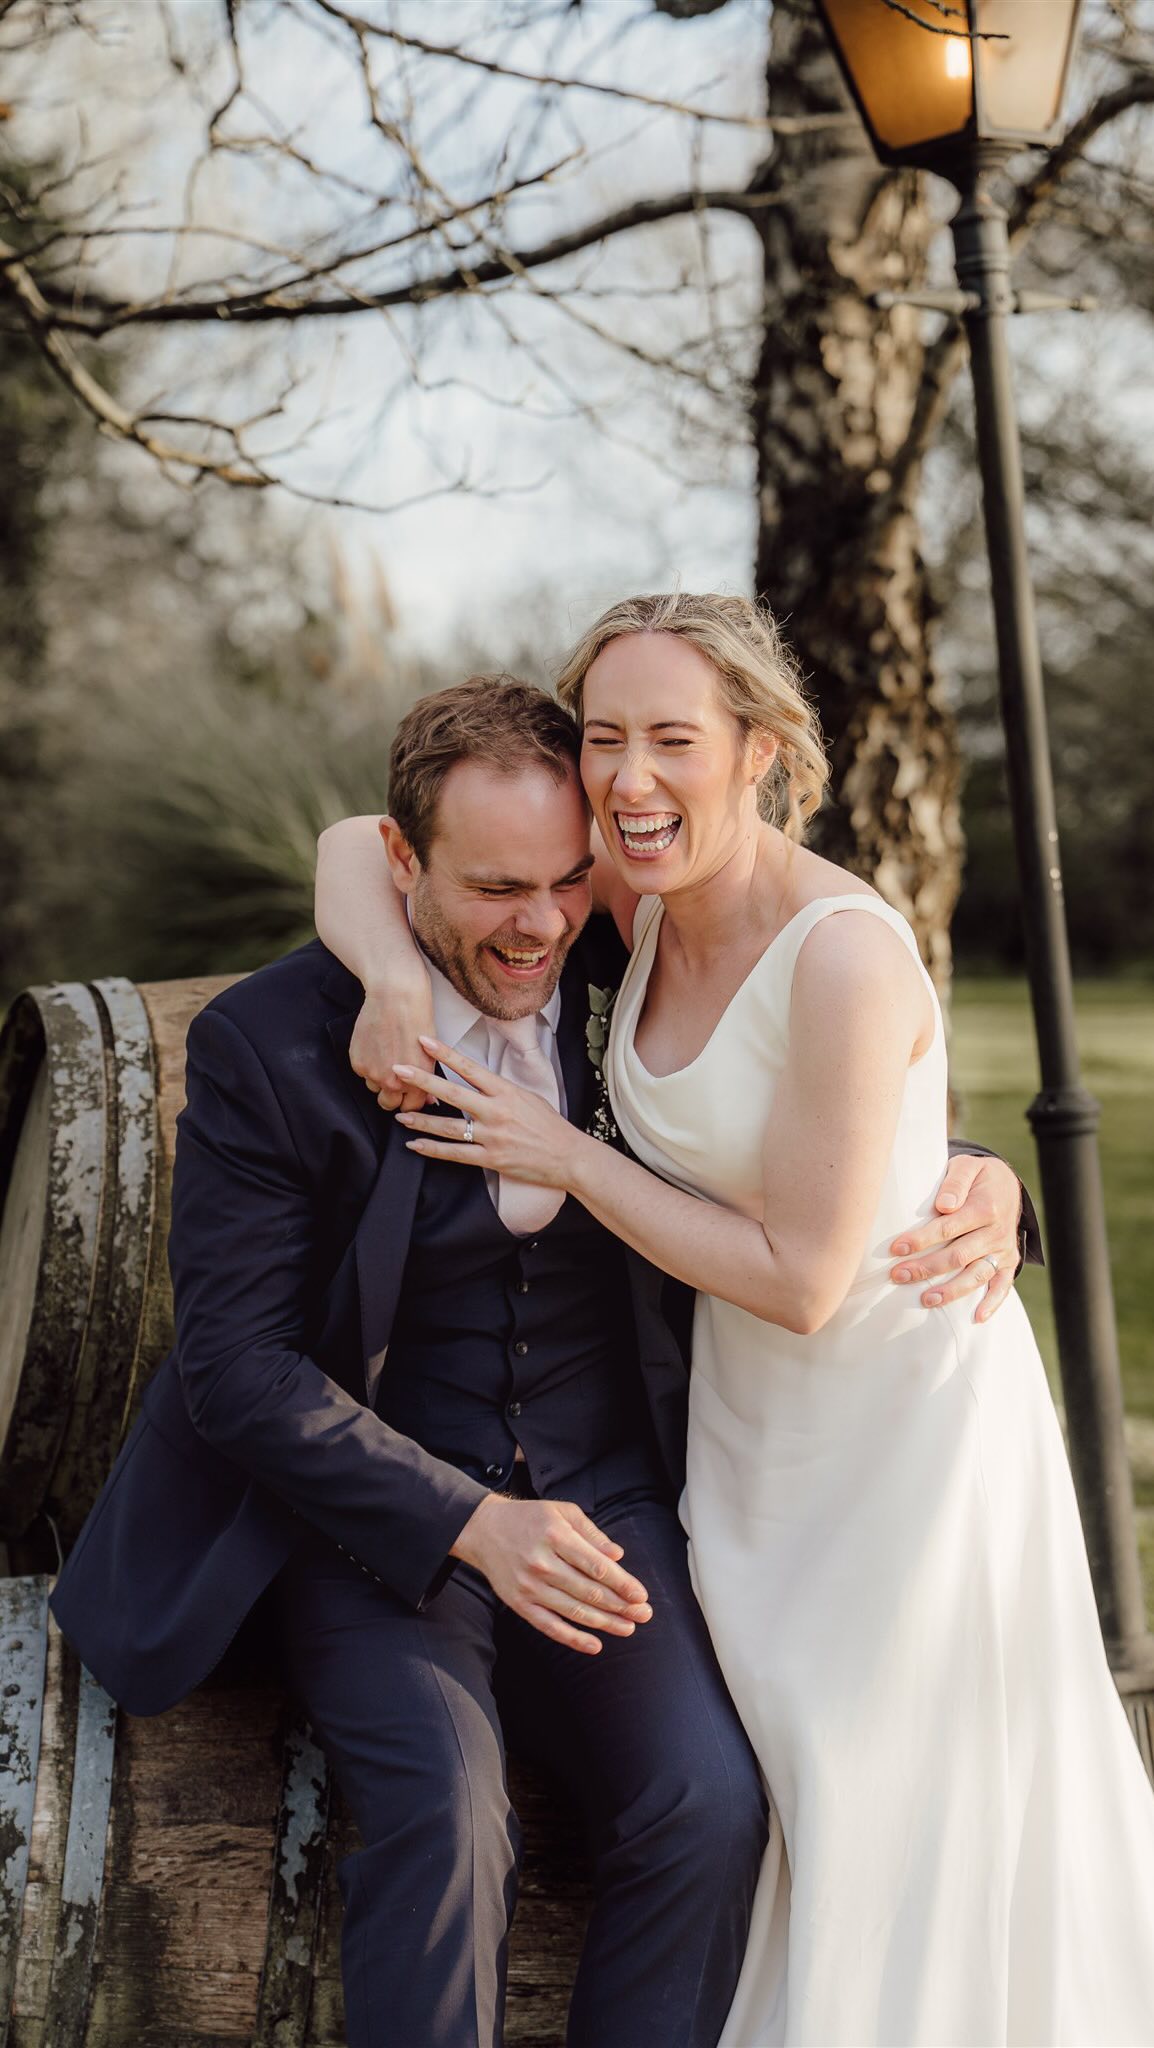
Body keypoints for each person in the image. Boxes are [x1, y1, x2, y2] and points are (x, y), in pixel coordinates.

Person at [323, 600, 1154, 2048]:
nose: (630, 778)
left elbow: (807, 1279)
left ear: (760, 751)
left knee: (893, 1801)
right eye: (603, 739)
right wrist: (394, 977)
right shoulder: (642, 901)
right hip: (745, 1432)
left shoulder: (842, 953)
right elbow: (357, 842)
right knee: (791, 1790)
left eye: (672, 740)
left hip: (898, 1441)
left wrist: (568, 1156)